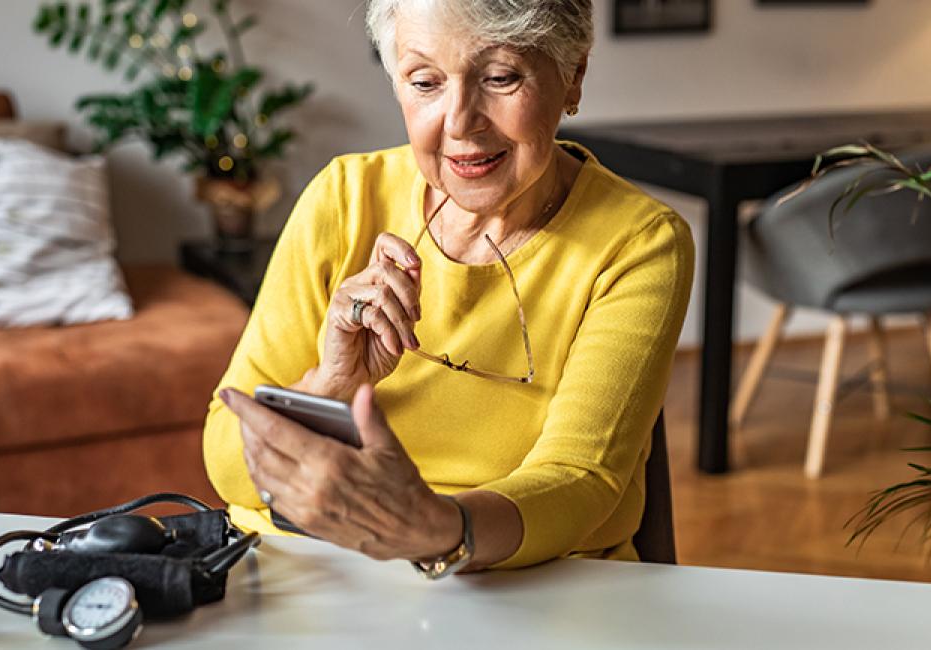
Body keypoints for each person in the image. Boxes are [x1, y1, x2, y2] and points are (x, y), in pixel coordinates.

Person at [203, 0, 694, 573]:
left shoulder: (638, 243)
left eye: (500, 77)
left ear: (572, 77)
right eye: (426, 82)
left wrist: (435, 529)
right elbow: (227, 462)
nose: (460, 122)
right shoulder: (343, 198)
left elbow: (580, 482)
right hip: (317, 574)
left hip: (534, 587)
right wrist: (331, 384)